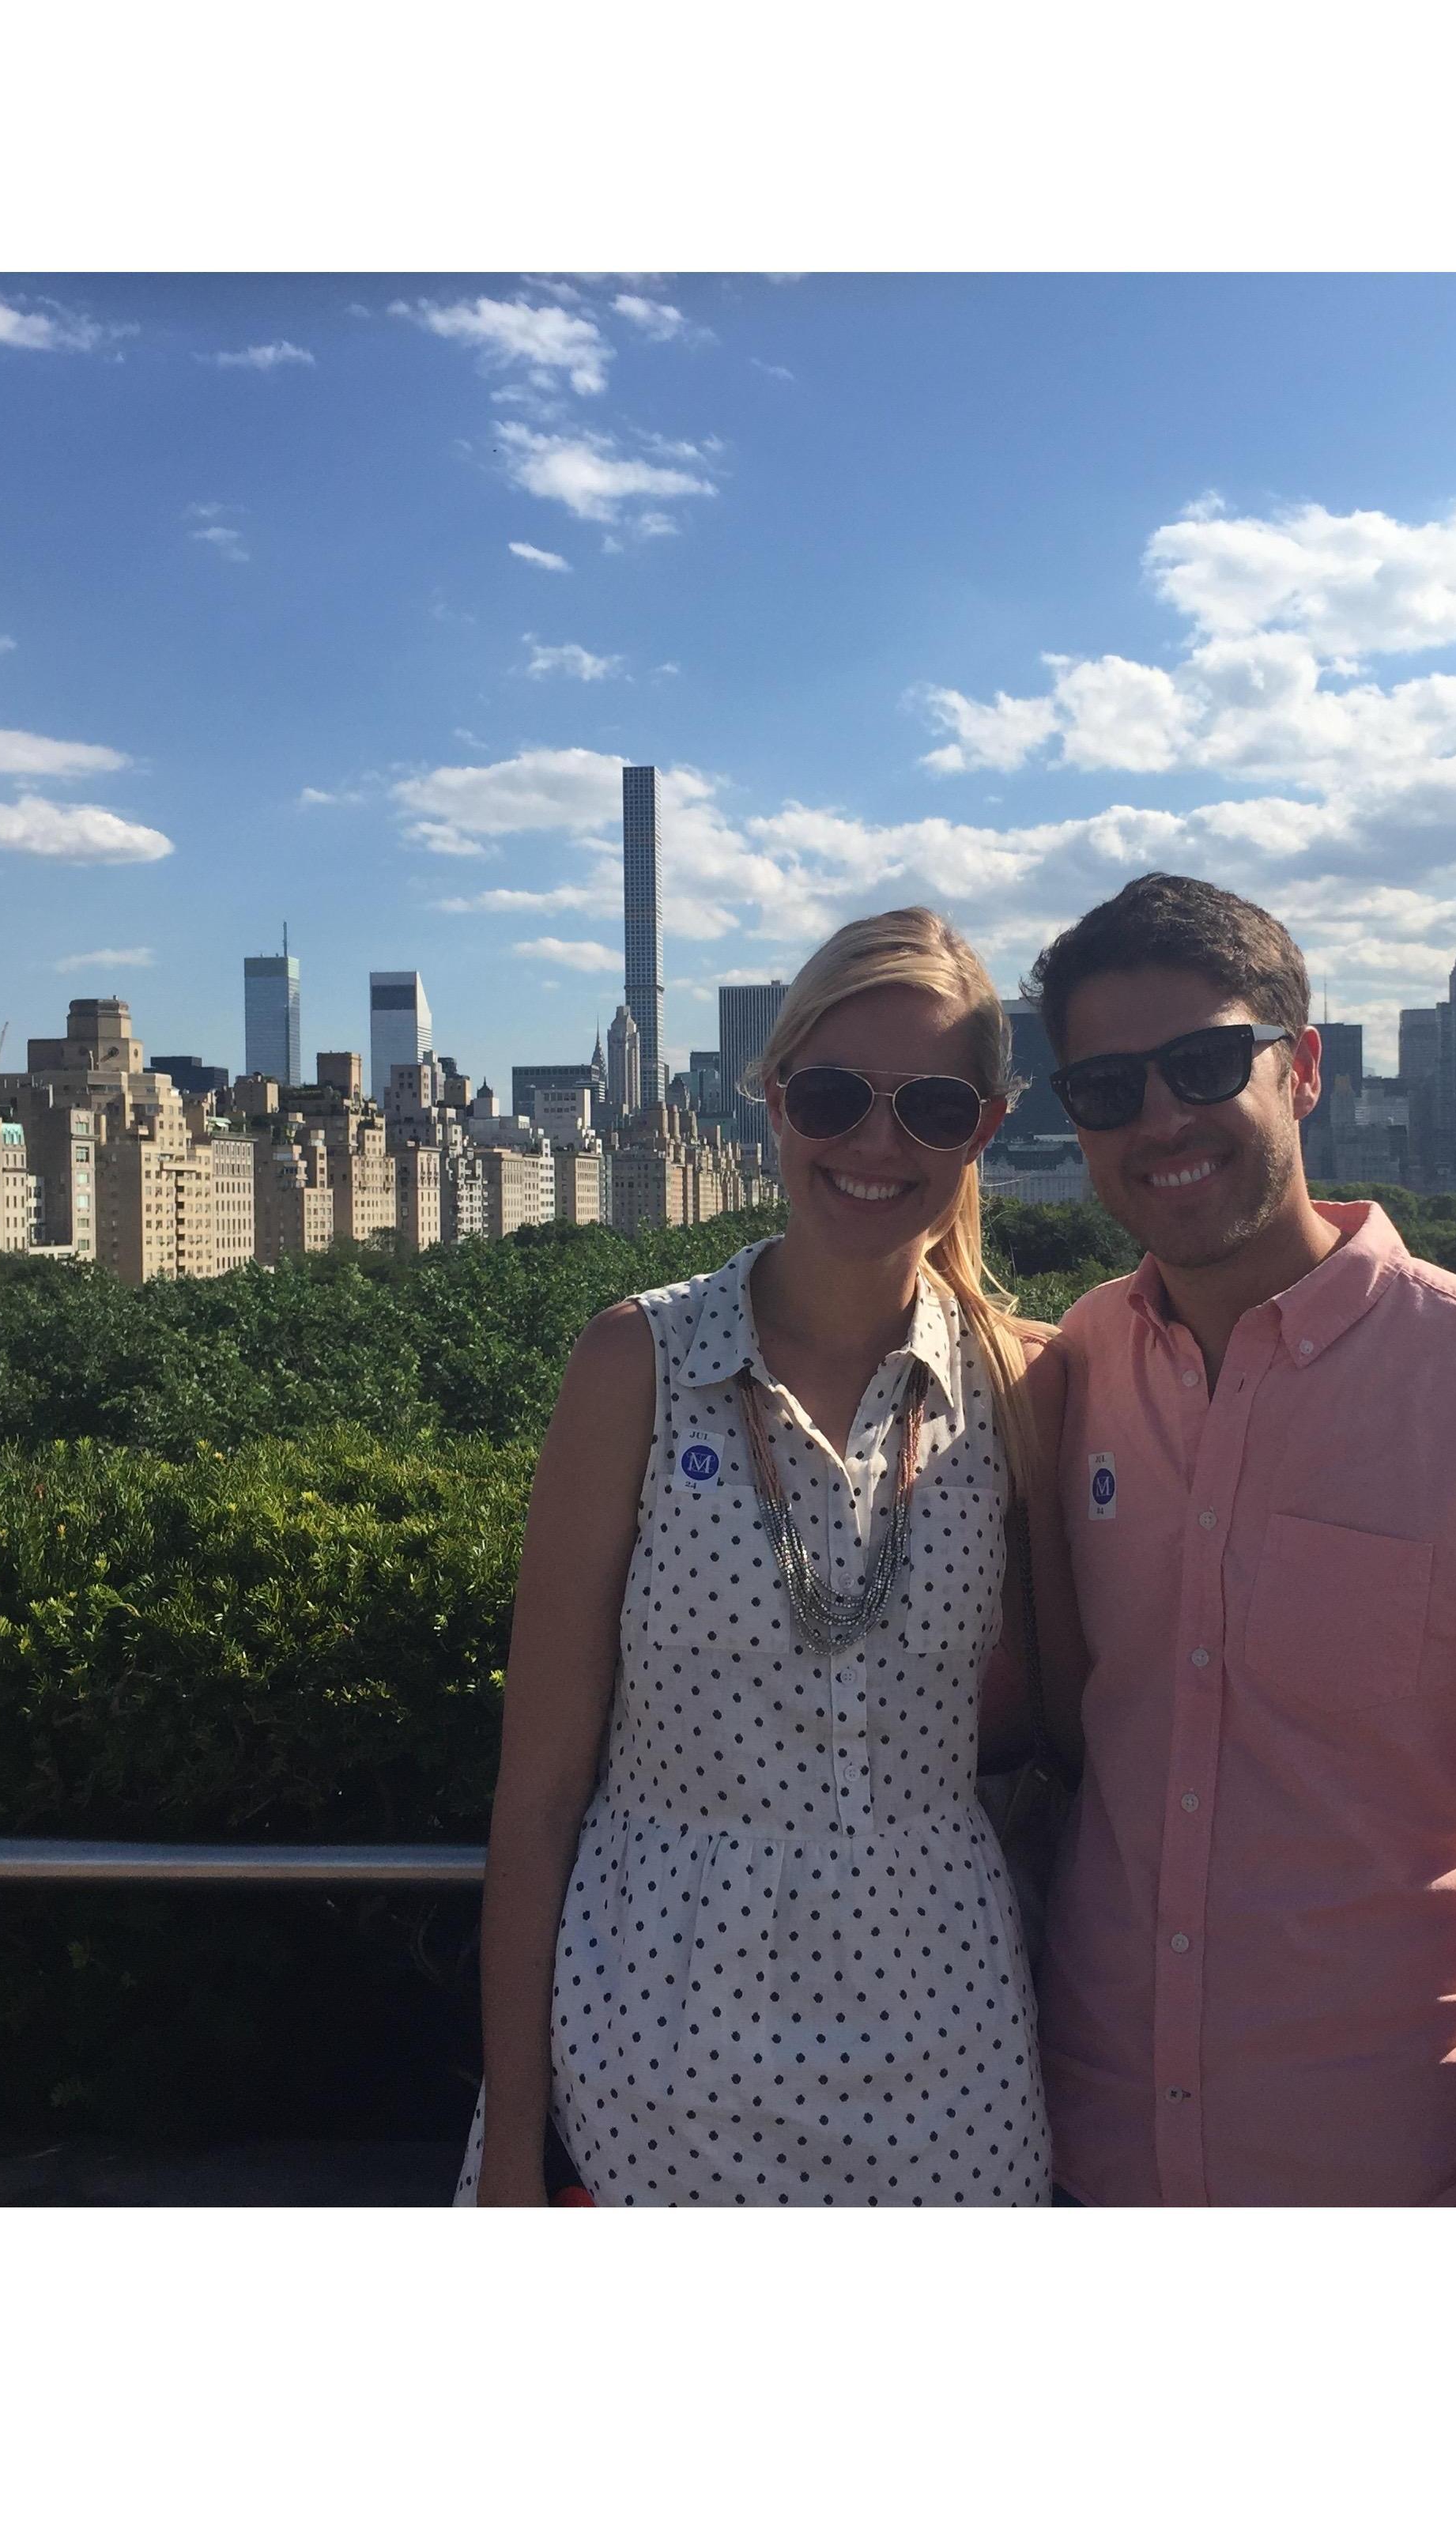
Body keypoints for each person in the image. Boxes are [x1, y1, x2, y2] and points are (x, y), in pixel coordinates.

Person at [1027, 871, 1456, 2206]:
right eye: (1107, 1088)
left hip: (1402, 2174)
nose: (1159, 1116)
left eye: (1207, 1062)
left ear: (1306, 1070)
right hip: (1085, 2159)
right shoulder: (1079, 1367)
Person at [461, 907, 1080, 2205]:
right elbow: (536, 1796)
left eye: (932, 1109)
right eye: (834, 1095)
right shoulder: (634, 1362)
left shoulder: (1026, 1387)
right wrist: (515, 2145)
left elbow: (1062, 1732)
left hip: (947, 2065)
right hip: (652, 2049)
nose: (874, 1143)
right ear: (771, 1099)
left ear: (989, 1129)